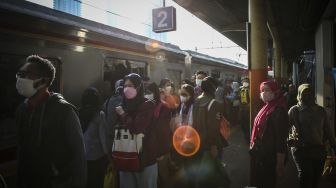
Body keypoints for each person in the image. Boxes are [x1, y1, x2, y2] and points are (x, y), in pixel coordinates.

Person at [15, 55, 87, 188]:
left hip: (56, 183)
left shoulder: (64, 111)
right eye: (19, 74)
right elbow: (21, 149)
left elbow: (78, 154)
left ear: (44, 81)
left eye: (27, 74)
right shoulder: (22, 110)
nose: (20, 79)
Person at [288, 83, 336, 188]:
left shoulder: (321, 111)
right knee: (305, 175)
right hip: (301, 150)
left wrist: (334, 145)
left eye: (310, 92)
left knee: (315, 178)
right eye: (304, 93)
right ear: (299, 94)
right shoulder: (294, 110)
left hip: (318, 150)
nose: (307, 95)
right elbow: (285, 129)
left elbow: (328, 130)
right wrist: (289, 141)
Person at [114, 73, 157, 188]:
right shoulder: (122, 104)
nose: (127, 88)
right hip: (125, 156)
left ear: (139, 87)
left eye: (131, 85)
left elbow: (137, 128)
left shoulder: (147, 105)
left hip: (144, 157)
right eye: (125, 85)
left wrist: (123, 114)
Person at [249, 80, 289, 188]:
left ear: (276, 92)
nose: (264, 93)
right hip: (262, 154)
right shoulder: (267, 107)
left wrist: (280, 164)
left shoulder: (279, 111)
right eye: (262, 90)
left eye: (268, 90)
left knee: (268, 182)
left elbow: (281, 140)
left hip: (271, 157)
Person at [189, 76, 224, 187]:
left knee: (201, 171)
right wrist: (214, 146)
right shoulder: (214, 103)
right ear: (213, 88)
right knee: (212, 174)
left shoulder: (197, 100)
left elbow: (193, 122)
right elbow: (213, 127)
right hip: (210, 145)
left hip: (198, 142)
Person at [79, 87, 108, 188]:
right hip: (96, 157)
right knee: (96, 182)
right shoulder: (100, 114)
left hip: (81, 157)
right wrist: (107, 155)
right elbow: (103, 138)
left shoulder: (77, 112)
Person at [239, 77, 250, 143]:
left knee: (247, 123)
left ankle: (248, 137)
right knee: (242, 123)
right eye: (243, 81)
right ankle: (246, 136)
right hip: (242, 108)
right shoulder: (241, 89)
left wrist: (250, 104)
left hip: (248, 109)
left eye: (246, 81)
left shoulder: (250, 89)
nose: (245, 82)